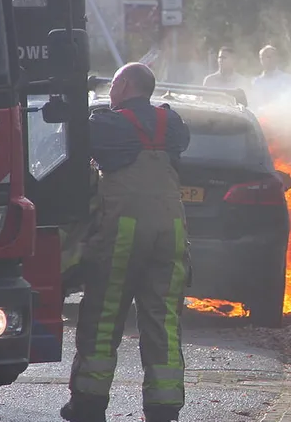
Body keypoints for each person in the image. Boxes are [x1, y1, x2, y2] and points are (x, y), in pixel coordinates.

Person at [61, 63, 191, 422]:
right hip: (172, 231)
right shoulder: (173, 124)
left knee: (104, 315)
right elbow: (176, 151)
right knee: (163, 319)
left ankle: (87, 404)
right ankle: (164, 409)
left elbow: (72, 146)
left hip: (123, 233)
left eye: (115, 84)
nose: (112, 91)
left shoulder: (106, 124)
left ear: (126, 85)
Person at [251, 45, 291, 110]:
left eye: (271, 56)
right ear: (261, 60)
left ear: (276, 58)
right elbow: (254, 104)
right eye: (266, 57)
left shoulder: (288, 79)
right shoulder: (256, 82)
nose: (269, 60)